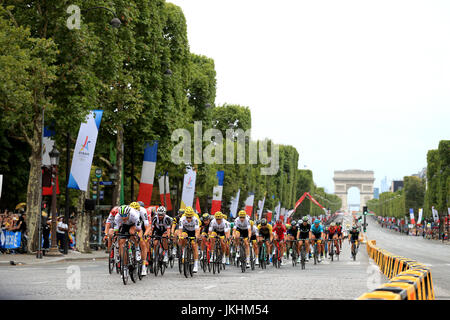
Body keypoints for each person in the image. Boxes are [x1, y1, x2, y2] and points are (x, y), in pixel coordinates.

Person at [178, 206, 201, 272]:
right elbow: (180, 230)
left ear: (192, 216)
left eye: (190, 217)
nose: (188, 219)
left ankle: (196, 265)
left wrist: (196, 237)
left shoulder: (195, 219)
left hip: (194, 231)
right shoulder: (182, 219)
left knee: (194, 245)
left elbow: (197, 231)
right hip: (186, 230)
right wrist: (180, 236)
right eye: (187, 217)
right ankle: (184, 249)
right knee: (183, 236)